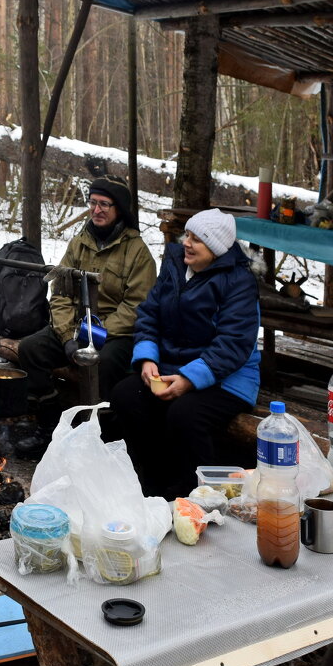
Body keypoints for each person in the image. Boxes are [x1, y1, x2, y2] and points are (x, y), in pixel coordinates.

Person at [109, 209, 260, 500]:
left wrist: (189, 379)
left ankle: (197, 491)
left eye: (198, 240)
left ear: (216, 249)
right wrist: (147, 358)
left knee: (185, 414)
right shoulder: (176, 265)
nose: (187, 243)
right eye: (187, 235)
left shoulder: (238, 281)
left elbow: (234, 344)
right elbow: (149, 315)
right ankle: (152, 482)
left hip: (227, 375)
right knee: (126, 396)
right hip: (171, 364)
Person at [18, 176, 156, 410]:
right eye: (92, 202)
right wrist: (68, 337)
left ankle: (103, 428)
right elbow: (60, 294)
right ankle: (48, 419)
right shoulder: (78, 244)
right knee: (30, 348)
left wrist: (94, 334)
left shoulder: (137, 252)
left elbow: (135, 307)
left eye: (104, 204)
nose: (96, 209)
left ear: (119, 209)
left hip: (116, 334)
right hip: (75, 328)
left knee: (104, 364)